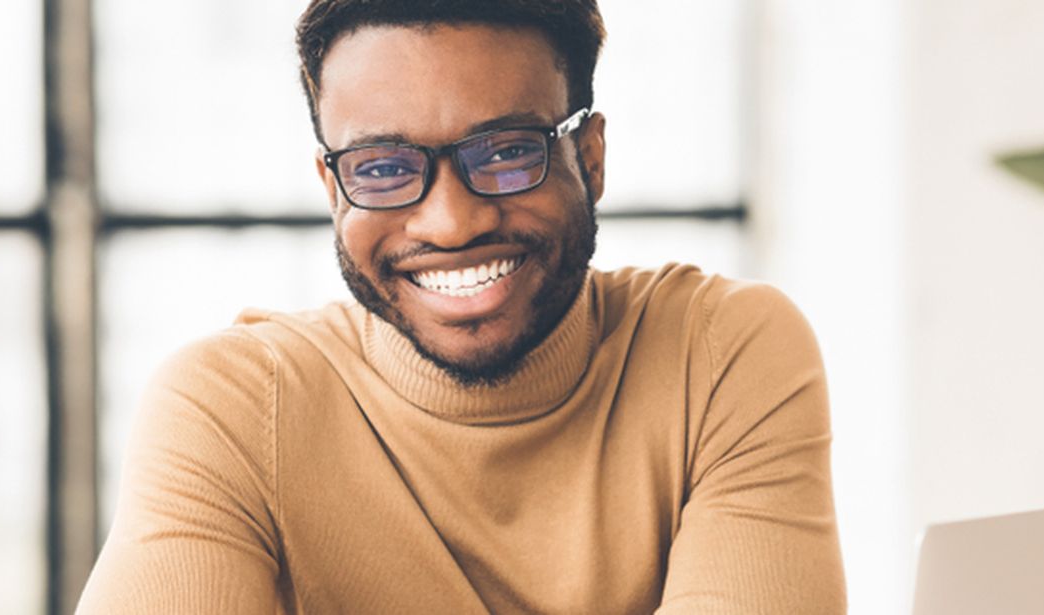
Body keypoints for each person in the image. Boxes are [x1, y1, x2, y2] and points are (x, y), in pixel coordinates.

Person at [76, 1, 846, 612]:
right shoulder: (235, 407)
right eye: (381, 166)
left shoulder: (719, 354)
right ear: (331, 189)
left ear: (592, 158)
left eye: (508, 151)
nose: (450, 222)